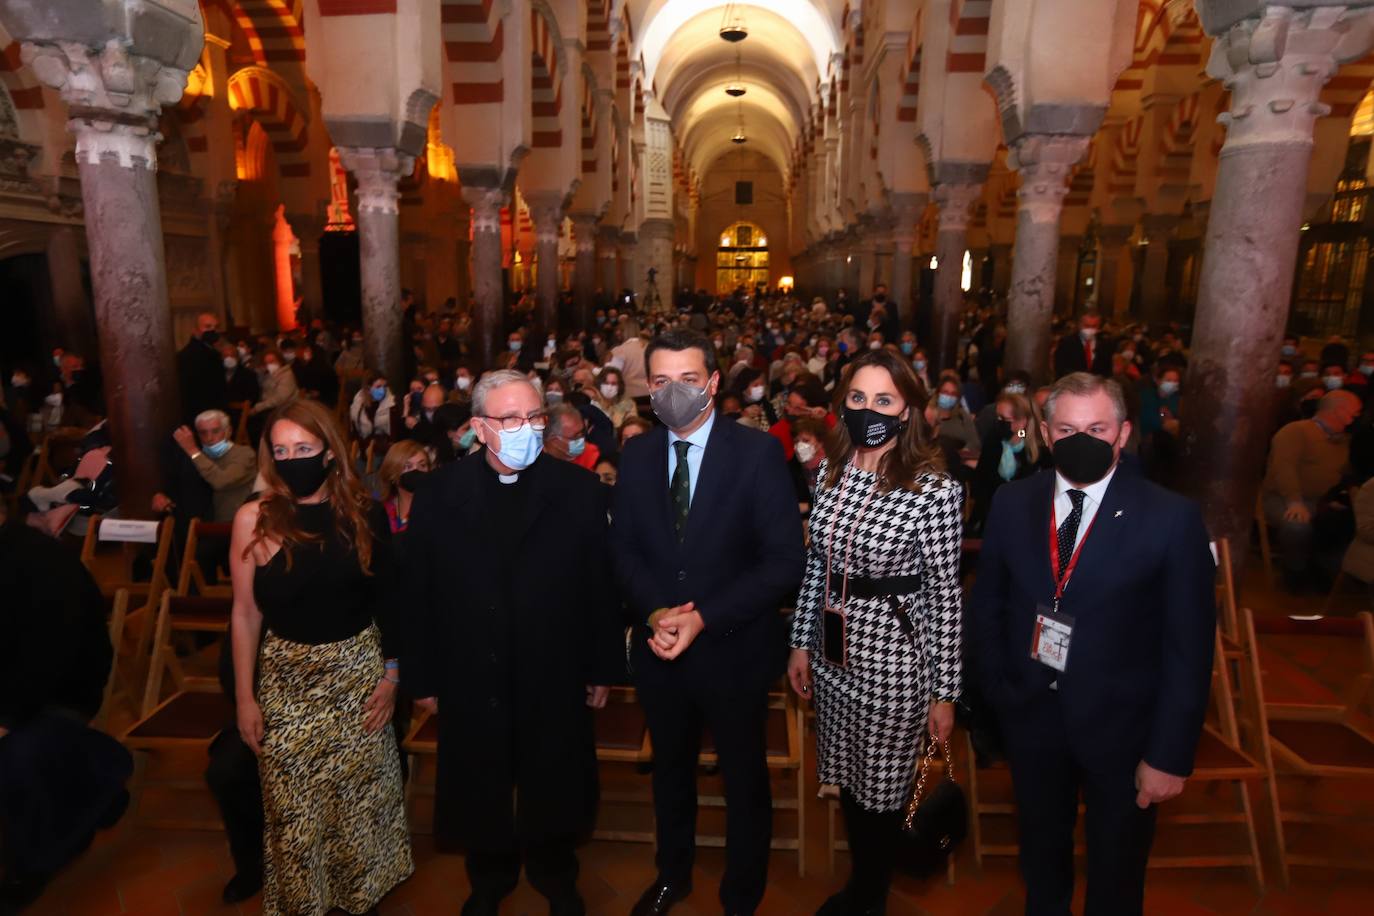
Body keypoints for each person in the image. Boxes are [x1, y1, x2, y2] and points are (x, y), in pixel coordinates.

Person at [969, 372, 1216, 916]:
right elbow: (988, 603)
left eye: (1097, 428)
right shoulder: (1014, 503)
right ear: (1047, 433)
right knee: (1041, 861)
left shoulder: (1172, 519)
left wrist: (1169, 754)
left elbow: (1189, 649)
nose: (1081, 440)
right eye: (1067, 428)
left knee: (1117, 876)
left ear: (1123, 433)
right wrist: (998, 688)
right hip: (1031, 716)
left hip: (1124, 730)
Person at [400, 370, 620, 916]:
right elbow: (417, 594)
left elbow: (600, 587)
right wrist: (422, 678)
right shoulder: (439, 493)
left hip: (554, 663)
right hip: (471, 666)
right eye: (510, 419)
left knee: (556, 775)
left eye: (534, 418)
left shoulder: (578, 489)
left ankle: (555, 873)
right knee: (480, 776)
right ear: (478, 426)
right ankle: (489, 877)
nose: (526, 428)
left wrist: (601, 668)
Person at [610, 329, 805, 916]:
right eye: (661, 381)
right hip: (660, 646)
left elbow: (783, 563)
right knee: (669, 771)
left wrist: (705, 617)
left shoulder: (757, 453)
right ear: (647, 387)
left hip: (734, 647)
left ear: (714, 383)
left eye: (688, 380)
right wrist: (655, 612)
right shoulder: (639, 454)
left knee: (744, 775)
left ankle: (742, 892)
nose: (674, 392)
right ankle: (673, 875)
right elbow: (623, 552)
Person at [787, 349, 963, 915]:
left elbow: (944, 598)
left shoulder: (934, 492)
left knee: (883, 791)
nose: (870, 410)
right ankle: (864, 881)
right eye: (858, 399)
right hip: (833, 658)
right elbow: (820, 565)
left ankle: (869, 897)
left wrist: (945, 691)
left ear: (908, 408)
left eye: (884, 400)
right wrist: (800, 641)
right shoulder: (833, 473)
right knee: (852, 784)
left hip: (896, 664)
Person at [228, 399, 412, 915]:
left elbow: (388, 601)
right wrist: (244, 698)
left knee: (358, 806)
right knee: (293, 812)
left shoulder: (362, 510)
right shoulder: (254, 519)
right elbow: (244, 614)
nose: (292, 459)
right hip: (286, 679)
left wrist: (393, 675)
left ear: (330, 451)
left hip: (357, 672)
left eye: (304, 448)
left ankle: (359, 900)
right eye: (281, 450)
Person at [1260, 389, 1361, 592]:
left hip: (1324, 500)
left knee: (1346, 523)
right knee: (1297, 525)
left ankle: (1326, 572)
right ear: (1339, 410)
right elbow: (1284, 467)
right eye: (1354, 411)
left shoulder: (1344, 441)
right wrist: (1294, 500)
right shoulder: (1296, 431)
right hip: (1283, 497)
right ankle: (1295, 574)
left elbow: (1346, 475)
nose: (1357, 415)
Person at [970, 392, 1052, 534]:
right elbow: (980, 484)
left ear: (1021, 422)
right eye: (998, 417)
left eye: (1005, 419)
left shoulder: (1036, 450)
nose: (999, 422)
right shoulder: (993, 441)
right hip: (992, 516)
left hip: (1026, 520)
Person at [160, 410, 256, 524]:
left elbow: (221, 481)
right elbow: (180, 483)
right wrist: (162, 495)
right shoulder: (198, 456)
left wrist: (192, 450)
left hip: (233, 523)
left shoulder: (244, 454)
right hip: (200, 523)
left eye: (215, 431)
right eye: (203, 433)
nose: (209, 438)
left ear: (228, 431)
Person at [178, 312, 229, 424]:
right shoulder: (192, 354)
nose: (213, 330)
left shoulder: (210, 351)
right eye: (208, 327)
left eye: (216, 327)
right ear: (195, 330)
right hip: (203, 415)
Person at [377, 440, 431, 534]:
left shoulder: (435, 509)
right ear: (392, 472)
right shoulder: (382, 507)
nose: (416, 470)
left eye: (422, 465)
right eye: (408, 466)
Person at [1052, 311, 1113, 378]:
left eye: (1094, 326)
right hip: (1072, 383)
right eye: (1087, 326)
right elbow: (1060, 368)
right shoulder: (1066, 342)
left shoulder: (1105, 344)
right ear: (1079, 325)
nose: (1090, 329)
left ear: (1099, 326)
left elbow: (1107, 370)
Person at [544, 403, 600, 472]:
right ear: (554, 440)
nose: (582, 440)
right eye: (575, 436)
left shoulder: (590, 454)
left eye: (582, 432)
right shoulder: (533, 460)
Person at [351, 373, 397, 449]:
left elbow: (394, 435)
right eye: (378, 387)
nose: (382, 390)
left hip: (383, 448)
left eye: (384, 386)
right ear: (368, 389)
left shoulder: (391, 404)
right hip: (363, 447)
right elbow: (354, 431)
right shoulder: (358, 404)